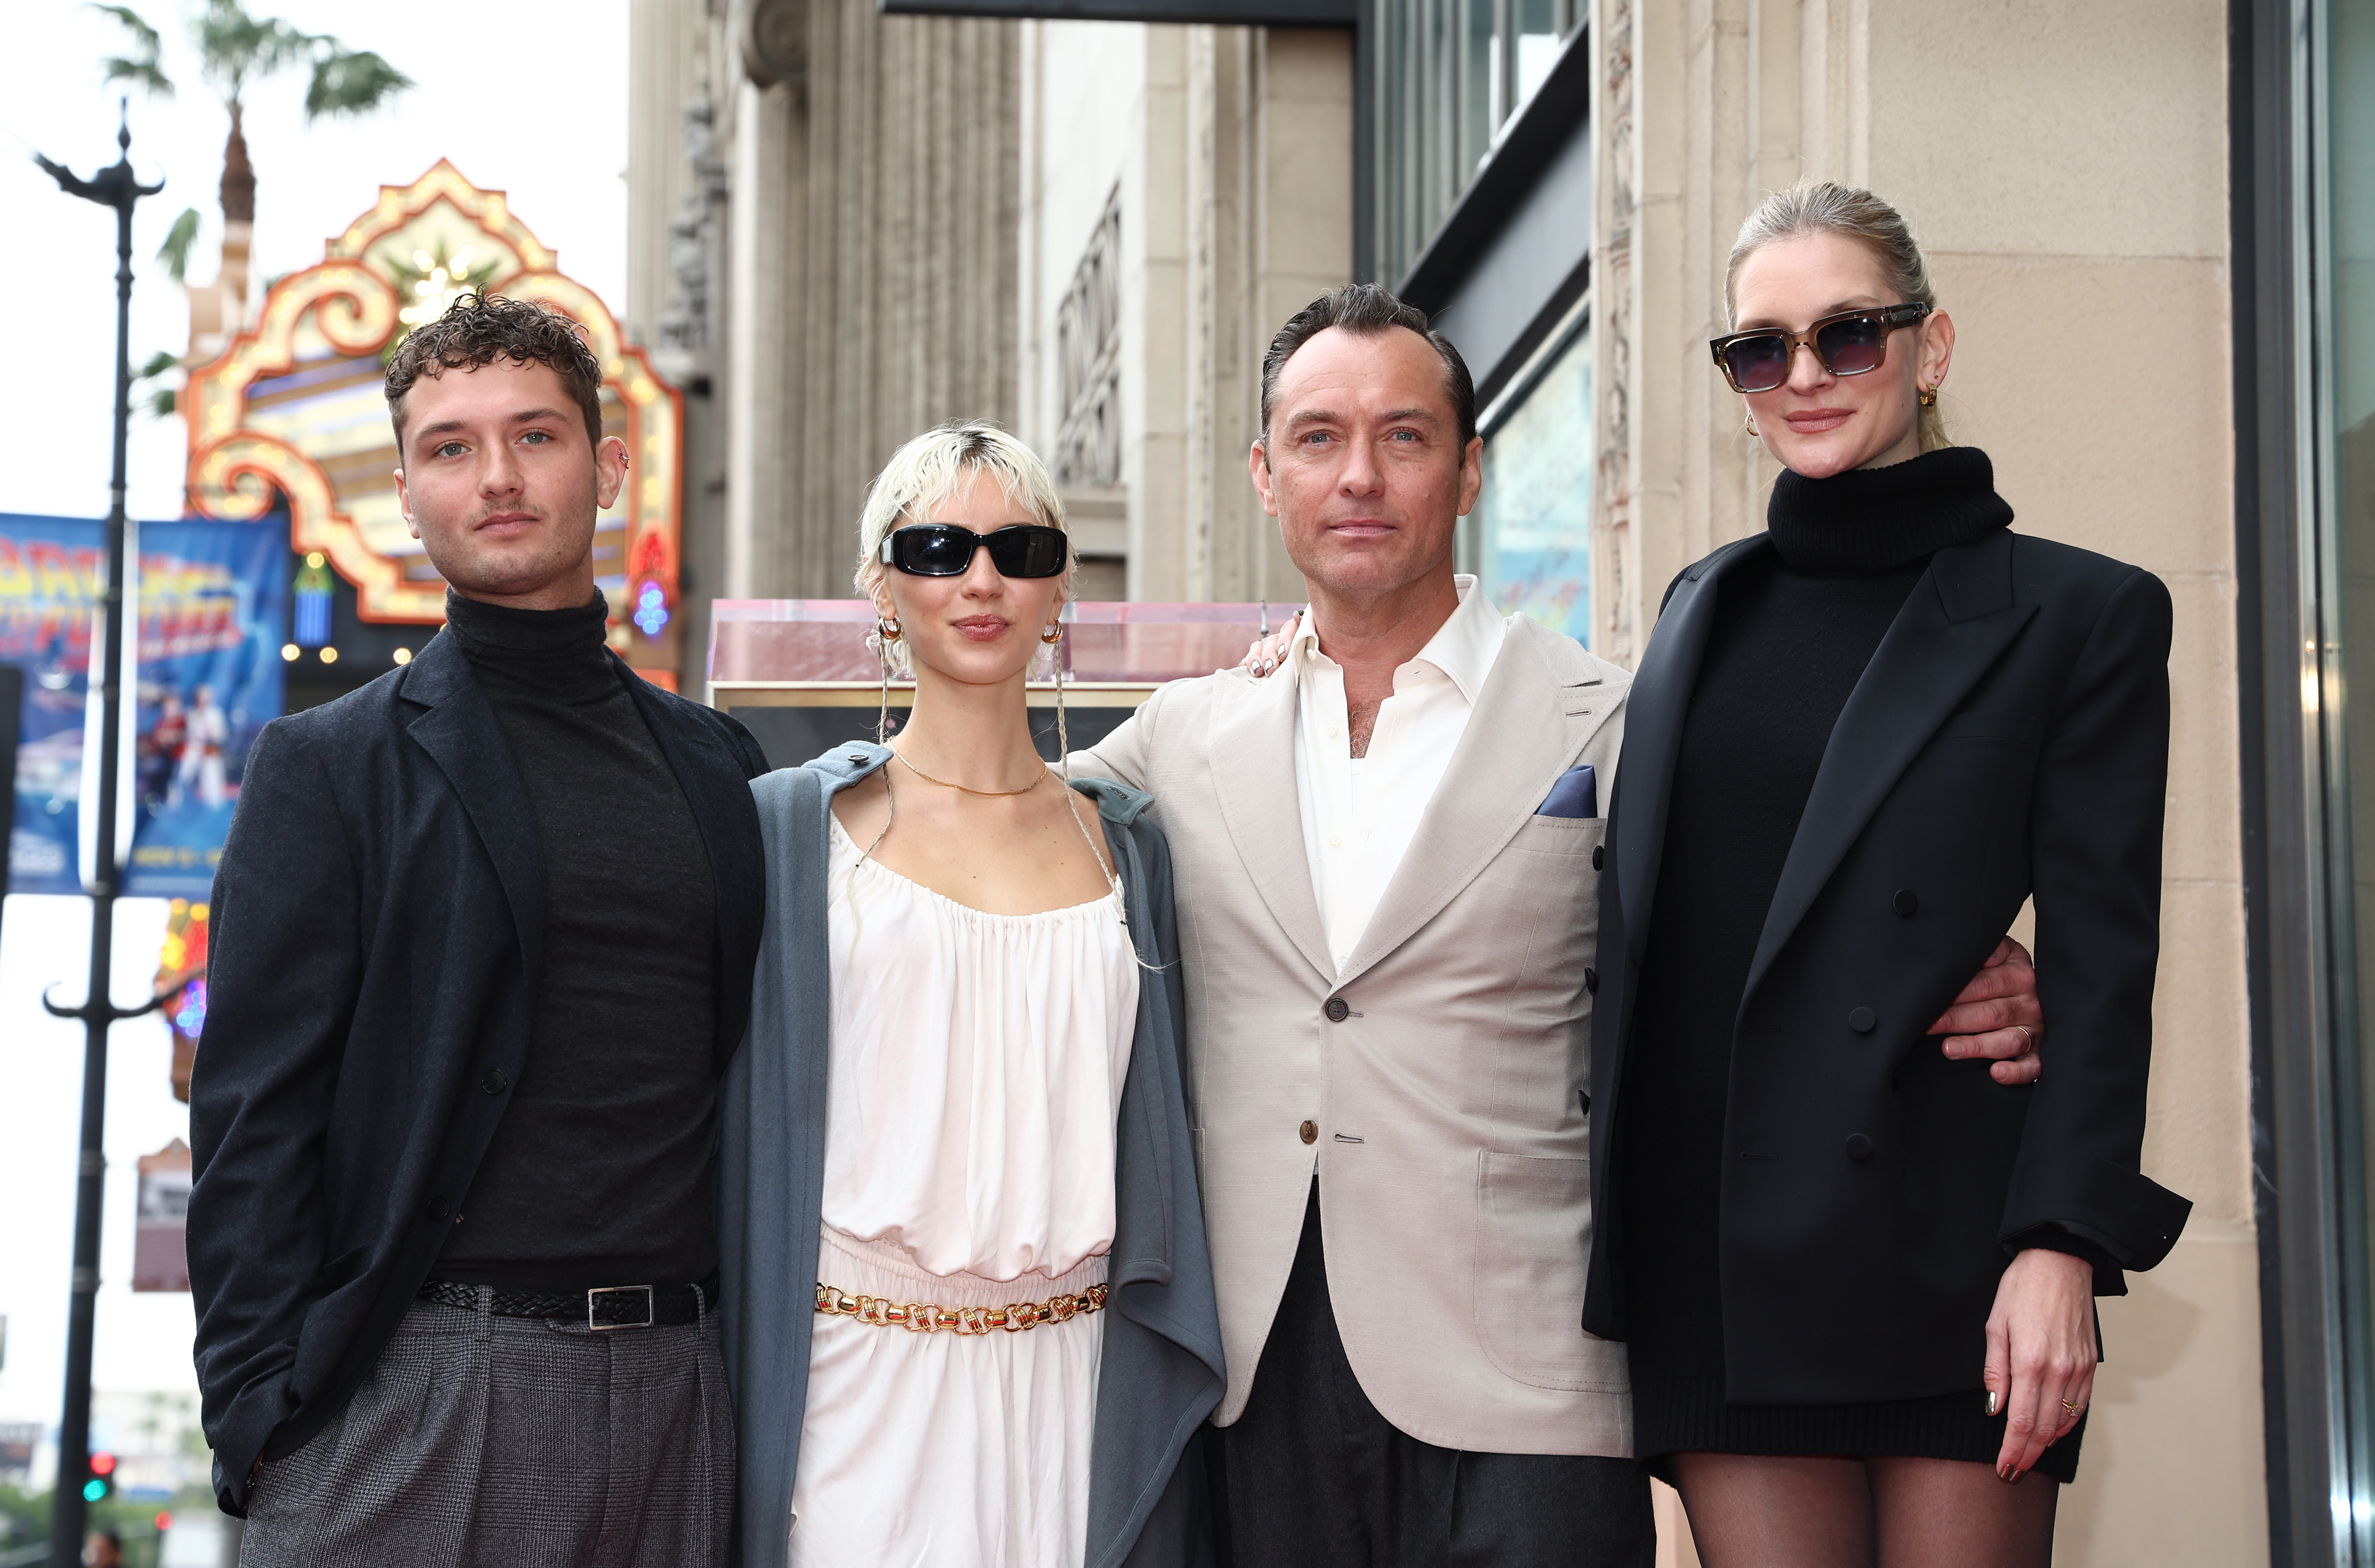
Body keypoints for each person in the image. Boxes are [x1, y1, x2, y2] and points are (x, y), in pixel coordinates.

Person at [1074, 284, 2047, 1566]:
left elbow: (1787, 937)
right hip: (1257, 1384)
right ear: (1265, 473)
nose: (1359, 475)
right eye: (1318, 437)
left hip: (1529, 1382)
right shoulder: (1176, 740)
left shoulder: (1622, 714)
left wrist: (1981, 976)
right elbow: (983, 843)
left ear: (1471, 468)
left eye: (1406, 436)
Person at [1583, 182, 2193, 1567]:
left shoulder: (2081, 611)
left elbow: (2107, 964)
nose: (1804, 376)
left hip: (1948, 1241)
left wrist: (2061, 1246)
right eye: (1761, 348)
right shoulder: (1699, 607)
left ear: (1933, 344)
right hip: (1715, 1240)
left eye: (1848, 335)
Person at [188, 294, 769, 1566]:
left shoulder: (719, 765)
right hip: (419, 1388)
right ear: (405, 491)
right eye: (451, 447)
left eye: (536, 436)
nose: (497, 477)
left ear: (608, 467)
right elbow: (252, 1118)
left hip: (684, 1386)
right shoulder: (329, 767)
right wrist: (259, 1414)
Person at [717, 424, 1219, 1567]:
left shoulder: (1129, 849)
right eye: (939, 546)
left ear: (1060, 595)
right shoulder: (794, 833)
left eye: (1021, 546)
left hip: (1076, 1382)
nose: (981, 578)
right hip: (852, 1392)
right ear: (883, 590)